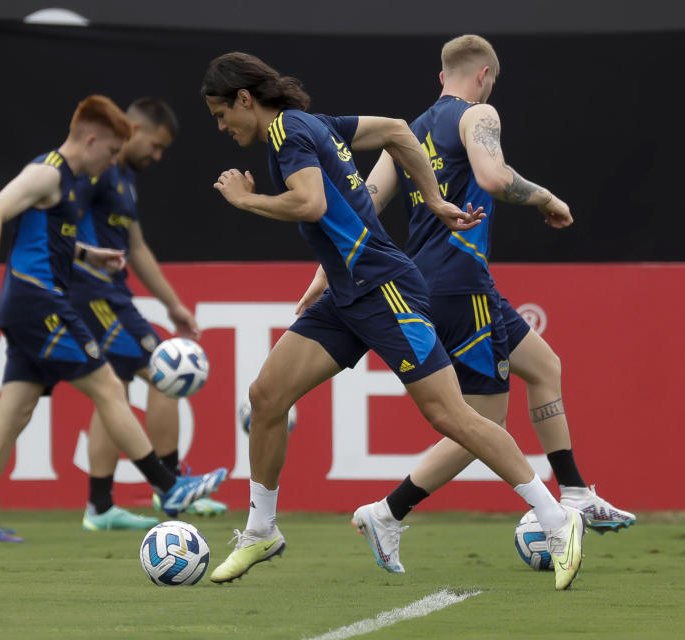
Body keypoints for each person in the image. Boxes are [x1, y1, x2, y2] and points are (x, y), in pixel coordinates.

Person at [201, 52, 585, 590]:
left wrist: (247, 201)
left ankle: (556, 517)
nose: (222, 127)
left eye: (222, 114)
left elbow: (310, 204)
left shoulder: (288, 132)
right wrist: (433, 198)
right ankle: (261, 530)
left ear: (245, 99)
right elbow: (399, 132)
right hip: (346, 292)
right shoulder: (317, 125)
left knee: (454, 416)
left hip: (383, 289)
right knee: (267, 396)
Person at [296, 35, 635, 574]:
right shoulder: (479, 114)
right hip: (460, 285)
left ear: (440, 78)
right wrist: (549, 199)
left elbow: (363, 206)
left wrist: (321, 275)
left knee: (544, 366)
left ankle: (573, 491)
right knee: (484, 424)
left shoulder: (401, 134)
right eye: (490, 84)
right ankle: (387, 513)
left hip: (430, 281)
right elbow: (492, 177)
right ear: (483, 77)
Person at [0, 95, 226, 543]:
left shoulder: (68, 179)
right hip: (39, 302)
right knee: (109, 387)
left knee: (14, 411)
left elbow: (47, 233)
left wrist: (87, 254)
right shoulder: (47, 172)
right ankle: (169, 487)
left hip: (30, 304)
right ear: (92, 139)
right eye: (112, 152)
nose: (113, 162)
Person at [70, 97, 227, 532]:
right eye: (155, 147)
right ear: (133, 130)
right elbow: (60, 221)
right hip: (92, 294)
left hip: (109, 295)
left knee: (112, 392)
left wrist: (172, 303)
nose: (157, 157)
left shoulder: (123, 179)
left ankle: (100, 508)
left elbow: (136, 248)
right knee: (166, 369)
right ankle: (173, 490)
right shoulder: (97, 169)